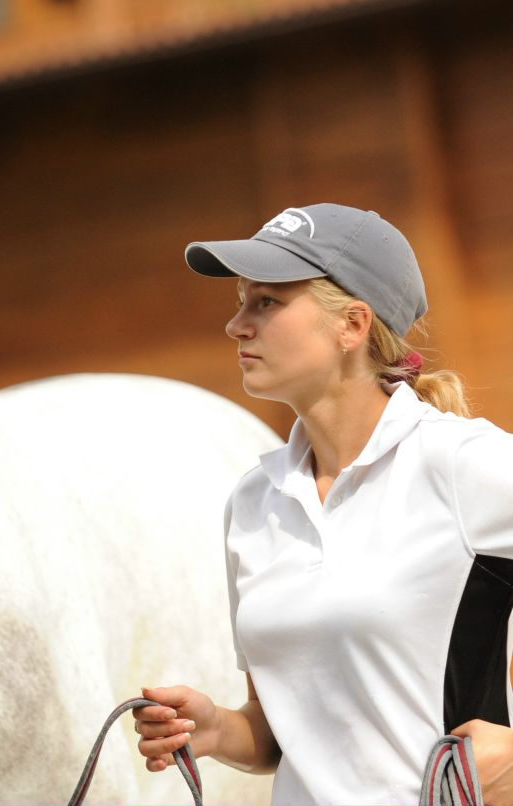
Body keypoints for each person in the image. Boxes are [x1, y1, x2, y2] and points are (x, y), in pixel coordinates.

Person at [133, 203, 513, 805]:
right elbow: (281, 733)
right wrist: (216, 729)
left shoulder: (463, 465)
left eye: (266, 302)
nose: (237, 325)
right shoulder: (253, 503)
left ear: (353, 325)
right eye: (240, 301)